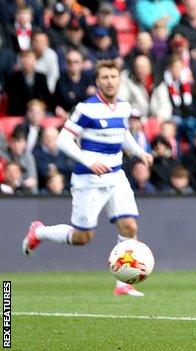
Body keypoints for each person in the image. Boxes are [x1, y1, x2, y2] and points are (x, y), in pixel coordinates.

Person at [21, 60, 154, 297]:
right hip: (88, 180)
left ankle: (122, 283)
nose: (110, 81)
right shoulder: (86, 108)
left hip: (116, 176)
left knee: (129, 225)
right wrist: (88, 161)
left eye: (113, 76)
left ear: (119, 79)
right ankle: (39, 232)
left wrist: (138, 152)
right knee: (83, 237)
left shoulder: (123, 107)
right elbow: (63, 140)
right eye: (105, 77)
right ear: (97, 81)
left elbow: (122, 135)